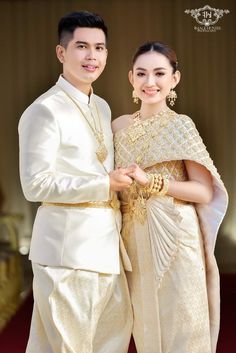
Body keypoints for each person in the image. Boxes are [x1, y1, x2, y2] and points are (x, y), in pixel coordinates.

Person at [18, 11, 133, 353]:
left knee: (109, 346)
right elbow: (34, 184)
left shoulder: (101, 106)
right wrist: (103, 184)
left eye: (99, 48)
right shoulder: (44, 110)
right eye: (81, 46)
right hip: (65, 254)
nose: (91, 56)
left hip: (107, 250)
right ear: (61, 52)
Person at [112, 41, 228, 353]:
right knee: (145, 325)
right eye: (142, 73)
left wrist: (153, 181)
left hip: (176, 236)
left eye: (160, 73)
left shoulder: (181, 125)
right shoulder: (118, 126)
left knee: (183, 326)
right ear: (131, 78)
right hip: (133, 235)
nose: (150, 82)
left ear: (174, 79)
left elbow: (203, 191)